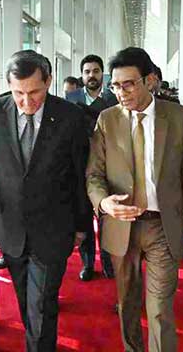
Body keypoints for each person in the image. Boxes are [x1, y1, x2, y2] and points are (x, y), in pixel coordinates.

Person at [0, 50, 91, 352]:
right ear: (8, 85)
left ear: (49, 81)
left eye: (34, 92)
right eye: (18, 93)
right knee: (25, 300)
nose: (26, 101)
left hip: (53, 228)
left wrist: (82, 227)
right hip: (11, 229)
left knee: (42, 303)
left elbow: (79, 176)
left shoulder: (70, 117)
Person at [86, 47, 183, 352]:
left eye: (129, 84)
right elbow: (94, 175)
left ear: (151, 80)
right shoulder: (107, 120)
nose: (121, 92)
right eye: (115, 86)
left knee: (159, 309)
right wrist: (104, 203)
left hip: (163, 226)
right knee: (127, 303)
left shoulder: (179, 118)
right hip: (121, 225)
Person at [65, 54, 118, 281]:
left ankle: (108, 262)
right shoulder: (71, 98)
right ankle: (87, 264)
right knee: (84, 215)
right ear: (82, 75)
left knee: (107, 216)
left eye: (95, 71)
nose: (91, 75)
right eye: (87, 72)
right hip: (79, 163)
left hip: (107, 164)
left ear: (102, 74)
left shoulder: (112, 99)